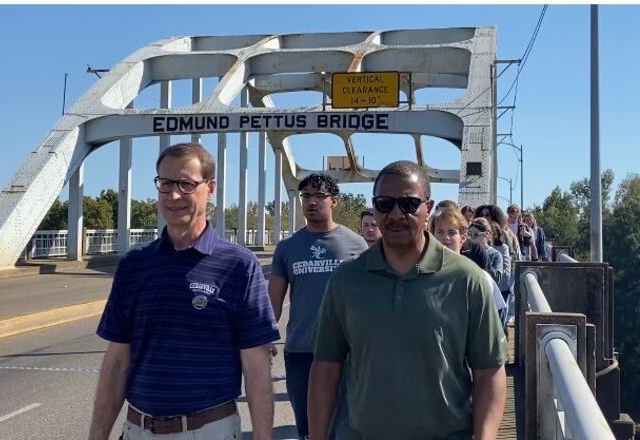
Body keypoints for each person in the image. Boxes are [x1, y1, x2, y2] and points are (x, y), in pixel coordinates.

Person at [89, 143, 279, 440]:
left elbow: (256, 367)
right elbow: (116, 362)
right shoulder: (134, 265)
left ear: (210, 188)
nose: (174, 195)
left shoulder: (240, 265)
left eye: (187, 184)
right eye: (165, 184)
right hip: (138, 429)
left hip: (208, 430)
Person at [308, 160, 507, 440]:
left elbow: (489, 370)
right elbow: (326, 368)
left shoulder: (467, 279)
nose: (396, 214)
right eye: (385, 204)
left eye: (409, 203)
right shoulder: (346, 280)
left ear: (428, 208)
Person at [269, 173, 368, 440]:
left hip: (345, 353)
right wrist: (264, 339)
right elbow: (273, 301)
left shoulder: (356, 245)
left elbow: (369, 299)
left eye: (319, 196)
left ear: (334, 201)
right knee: (308, 428)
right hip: (301, 351)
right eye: (306, 196)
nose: (311, 202)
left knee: (343, 426)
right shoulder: (288, 248)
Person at [469, 217, 504, 285]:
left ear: (486, 234)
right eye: (470, 234)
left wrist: (483, 254)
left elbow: (497, 278)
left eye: (475, 235)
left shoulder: (495, 254)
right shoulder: (466, 251)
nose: (471, 238)